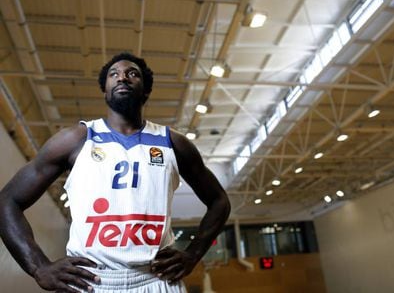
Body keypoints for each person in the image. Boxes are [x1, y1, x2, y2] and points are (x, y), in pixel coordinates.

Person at [0, 52, 231, 293]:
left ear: (146, 90)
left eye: (132, 74)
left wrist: (193, 254)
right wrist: (39, 267)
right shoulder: (75, 139)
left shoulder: (172, 143)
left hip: (155, 279)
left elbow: (219, 201)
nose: (122, 78)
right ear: (105, 89)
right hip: (90, 281)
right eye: (114, 74)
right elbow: (8, 201)